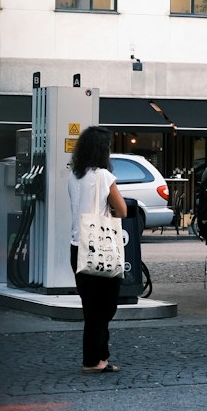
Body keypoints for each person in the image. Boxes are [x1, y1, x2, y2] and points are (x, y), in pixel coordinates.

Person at [68, 126, 128, 372]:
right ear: (103, 150)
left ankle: (99, 357)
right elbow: (122, 210)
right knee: (105, 307)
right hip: (100, 247)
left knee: (90, 306)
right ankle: (93, 360)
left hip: (77, 245)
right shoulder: (104, 176)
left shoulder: (74, 175)